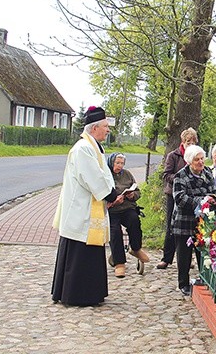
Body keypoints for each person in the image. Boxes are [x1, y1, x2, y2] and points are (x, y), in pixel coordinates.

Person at [51, 106, 120, 306]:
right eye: (106, 126)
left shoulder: (94, 147)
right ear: (94, 128)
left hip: (90, 208)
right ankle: (77, 295)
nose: (108, 130)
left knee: (89, 253)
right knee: (79, 251)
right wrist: (110, 194)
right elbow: (93, 177)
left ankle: (91, 293)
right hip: (81, 210)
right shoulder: (83, 149)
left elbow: (102, 175)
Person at [172, 145, 216, 296]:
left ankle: (206, 279)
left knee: (204, 252)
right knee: (184, 255)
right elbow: (180, 198)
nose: (200, 162)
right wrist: (202, 200)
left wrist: (214, 199)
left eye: (202, 158)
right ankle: (183, 284)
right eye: (197, 159)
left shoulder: (207, 172)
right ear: (189, 161)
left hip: (203, 221)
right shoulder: (181, 176)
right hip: (184, 221)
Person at [157, 128, 199, 270]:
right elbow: (166, 174)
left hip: (190, 196)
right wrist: (180, 179)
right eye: (188, 142)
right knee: (171, 226)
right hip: (174, 195)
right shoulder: (173, 156)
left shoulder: (196, 158)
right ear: (183, 142)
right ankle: (167, 257)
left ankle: (188, 257)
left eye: (193, 143)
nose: (190, 145)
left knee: (191, 227)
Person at [106, 152, 150, 278]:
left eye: (122, 163)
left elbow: (137, 192)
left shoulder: (127, 174)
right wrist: (114, 201)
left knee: (134, 220)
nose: (120, 166)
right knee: (115, 232)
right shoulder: (106, 175)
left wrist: (132, 195)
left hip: (127, 207)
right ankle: (119, 263)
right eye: (117, 163)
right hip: (112, 210)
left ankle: (136, 249)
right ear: (111, 162)